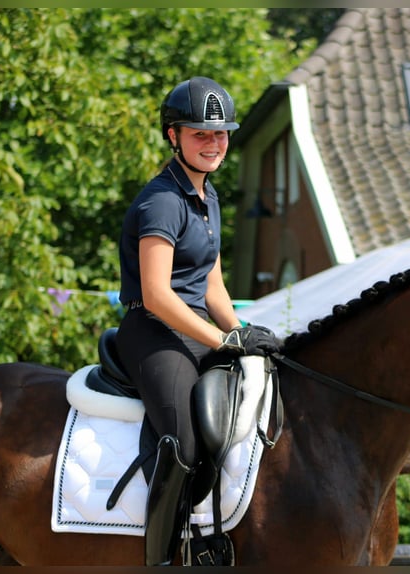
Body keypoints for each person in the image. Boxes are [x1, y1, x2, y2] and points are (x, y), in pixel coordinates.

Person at [115, 76, 279, 566]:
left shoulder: (208, 199)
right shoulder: (162, 201)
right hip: (154, 334)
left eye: (220, 134)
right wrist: (222, 342)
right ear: (173, 136)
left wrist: (242, 333)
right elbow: (157, 293)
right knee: (184, 439)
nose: (213, 144)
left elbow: (212, 286)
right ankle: (163, 555)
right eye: (199, 134)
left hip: (197, 335)